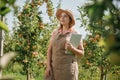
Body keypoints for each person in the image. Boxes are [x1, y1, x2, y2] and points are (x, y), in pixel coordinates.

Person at [45, 9, 84, 80]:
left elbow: (81, 53)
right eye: (61, 16)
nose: (62, 18)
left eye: (65, 16)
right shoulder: (55, 32)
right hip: (54, 68)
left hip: (67, 70)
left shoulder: (75, 34)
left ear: (70, 19)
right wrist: (48, 66)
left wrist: (72, 49)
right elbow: (49, 50)